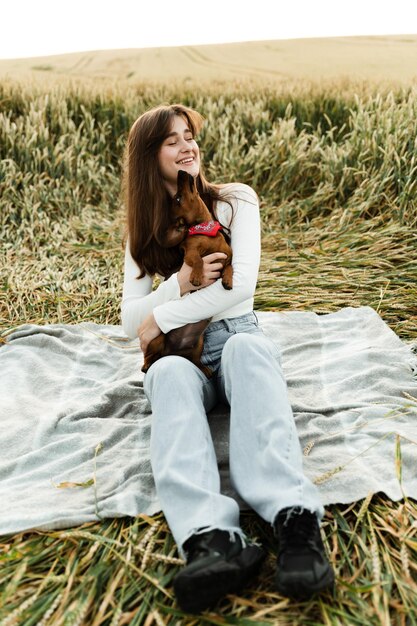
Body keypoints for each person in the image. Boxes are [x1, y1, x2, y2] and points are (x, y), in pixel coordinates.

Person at [121, 103, 335, 613]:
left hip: (234, 334)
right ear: (149, 157)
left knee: (248, 348)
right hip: (178, 356)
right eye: (173, 140)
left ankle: (294, 521)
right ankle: (210, 539)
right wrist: (178, 284)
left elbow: (242, 290)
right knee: (169, 374)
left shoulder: (236, 201)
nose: (188, 146)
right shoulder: (142, 229)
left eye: (190, 135)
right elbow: (131, 323)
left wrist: (164, 316)